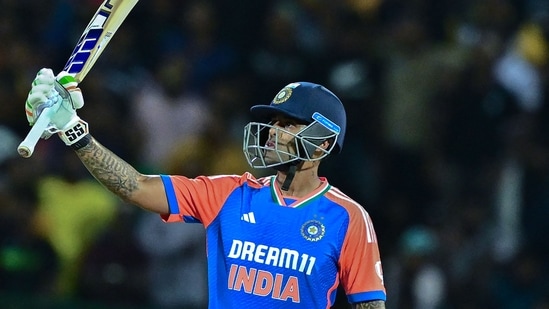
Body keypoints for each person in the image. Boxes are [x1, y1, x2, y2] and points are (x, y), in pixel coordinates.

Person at [24, 68, 387, 308]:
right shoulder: (230, 193)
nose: (274, 131)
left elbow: (369, 304)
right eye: (273, 122)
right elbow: (135, 186)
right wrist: (74, 129)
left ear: (323, 142)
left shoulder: (348, 218)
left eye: (290, 124)